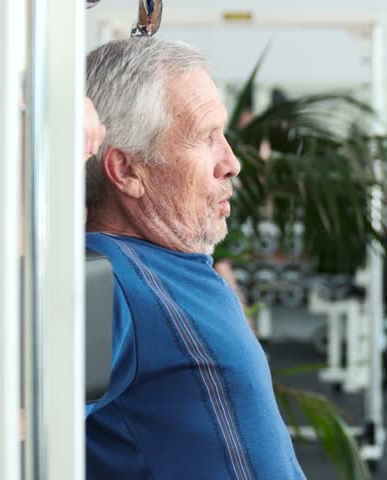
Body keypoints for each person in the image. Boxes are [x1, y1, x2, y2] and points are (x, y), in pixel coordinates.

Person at [82, 38, 305, 479]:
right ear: (127, 171)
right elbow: (2, 422)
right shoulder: (103, 277)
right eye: (206, 139)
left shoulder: (175, 262)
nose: (232, 163)